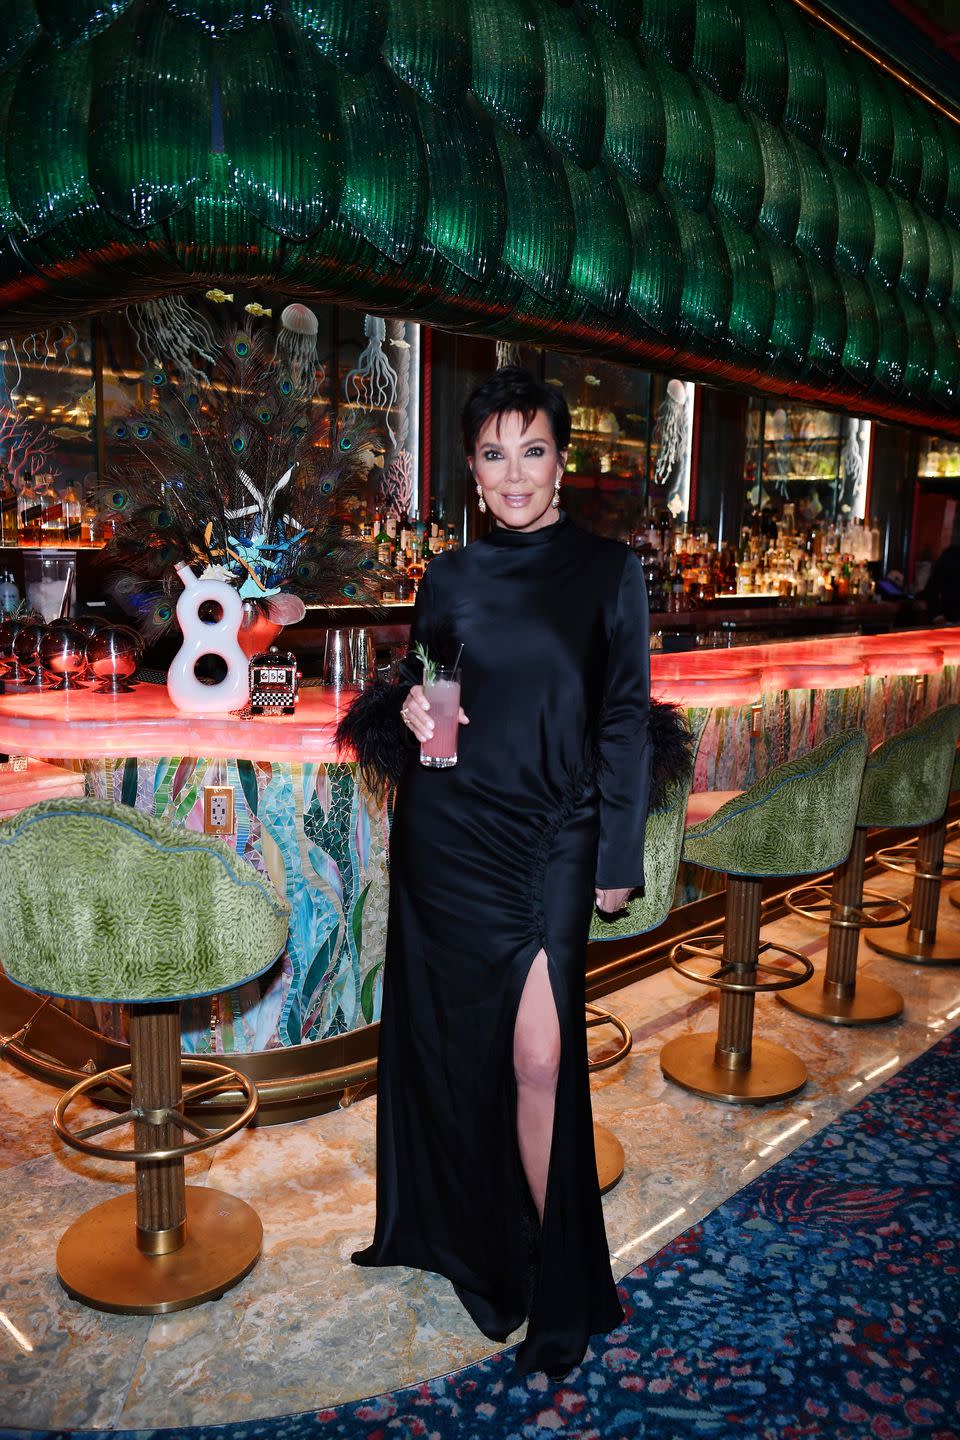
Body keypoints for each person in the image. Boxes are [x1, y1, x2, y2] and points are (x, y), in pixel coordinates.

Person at [342, 368, 652, 1379]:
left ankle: (557, 1284)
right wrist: (413, 713)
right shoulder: (448, 578)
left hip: (556, 838)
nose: (513, 474)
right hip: (453, 835)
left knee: (540, 1062)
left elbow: (621, 721)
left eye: (532, 450)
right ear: (472, 473)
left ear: (562, 461)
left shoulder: (612, 574)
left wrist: (616, 860)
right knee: (461, 1049)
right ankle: (469, 1239)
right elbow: (427, 703)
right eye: (492, 454)